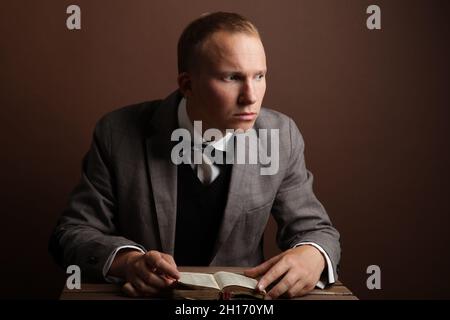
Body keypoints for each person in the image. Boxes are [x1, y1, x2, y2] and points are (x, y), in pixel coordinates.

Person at [49, 12, 341, 299]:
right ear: (187, 85)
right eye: (232, 77)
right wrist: (127, 262)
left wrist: (313, 255)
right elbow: (72, 233)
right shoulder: (116, 133)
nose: (251, 96)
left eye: (260, 76)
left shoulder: (280, 136)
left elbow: (316, 230)